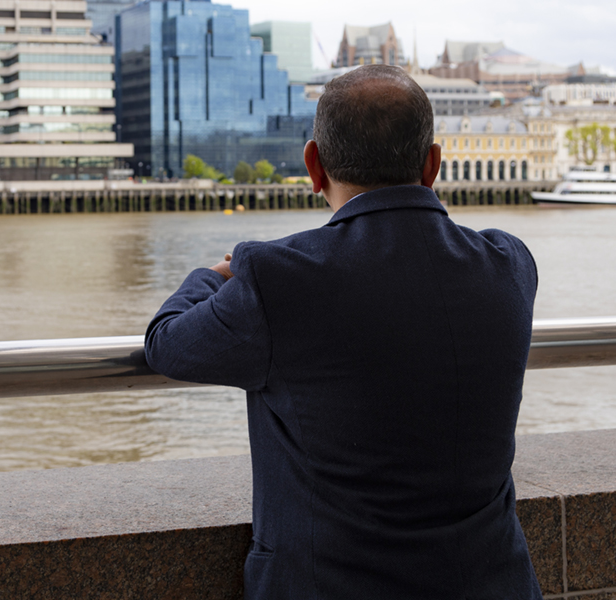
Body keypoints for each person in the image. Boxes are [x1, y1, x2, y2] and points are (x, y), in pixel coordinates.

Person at [144, 64, 542, 600]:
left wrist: (216, 275)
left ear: (314, 165)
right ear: (432, 165)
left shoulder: (278, 277)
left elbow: (167, 344)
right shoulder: (509, 264)